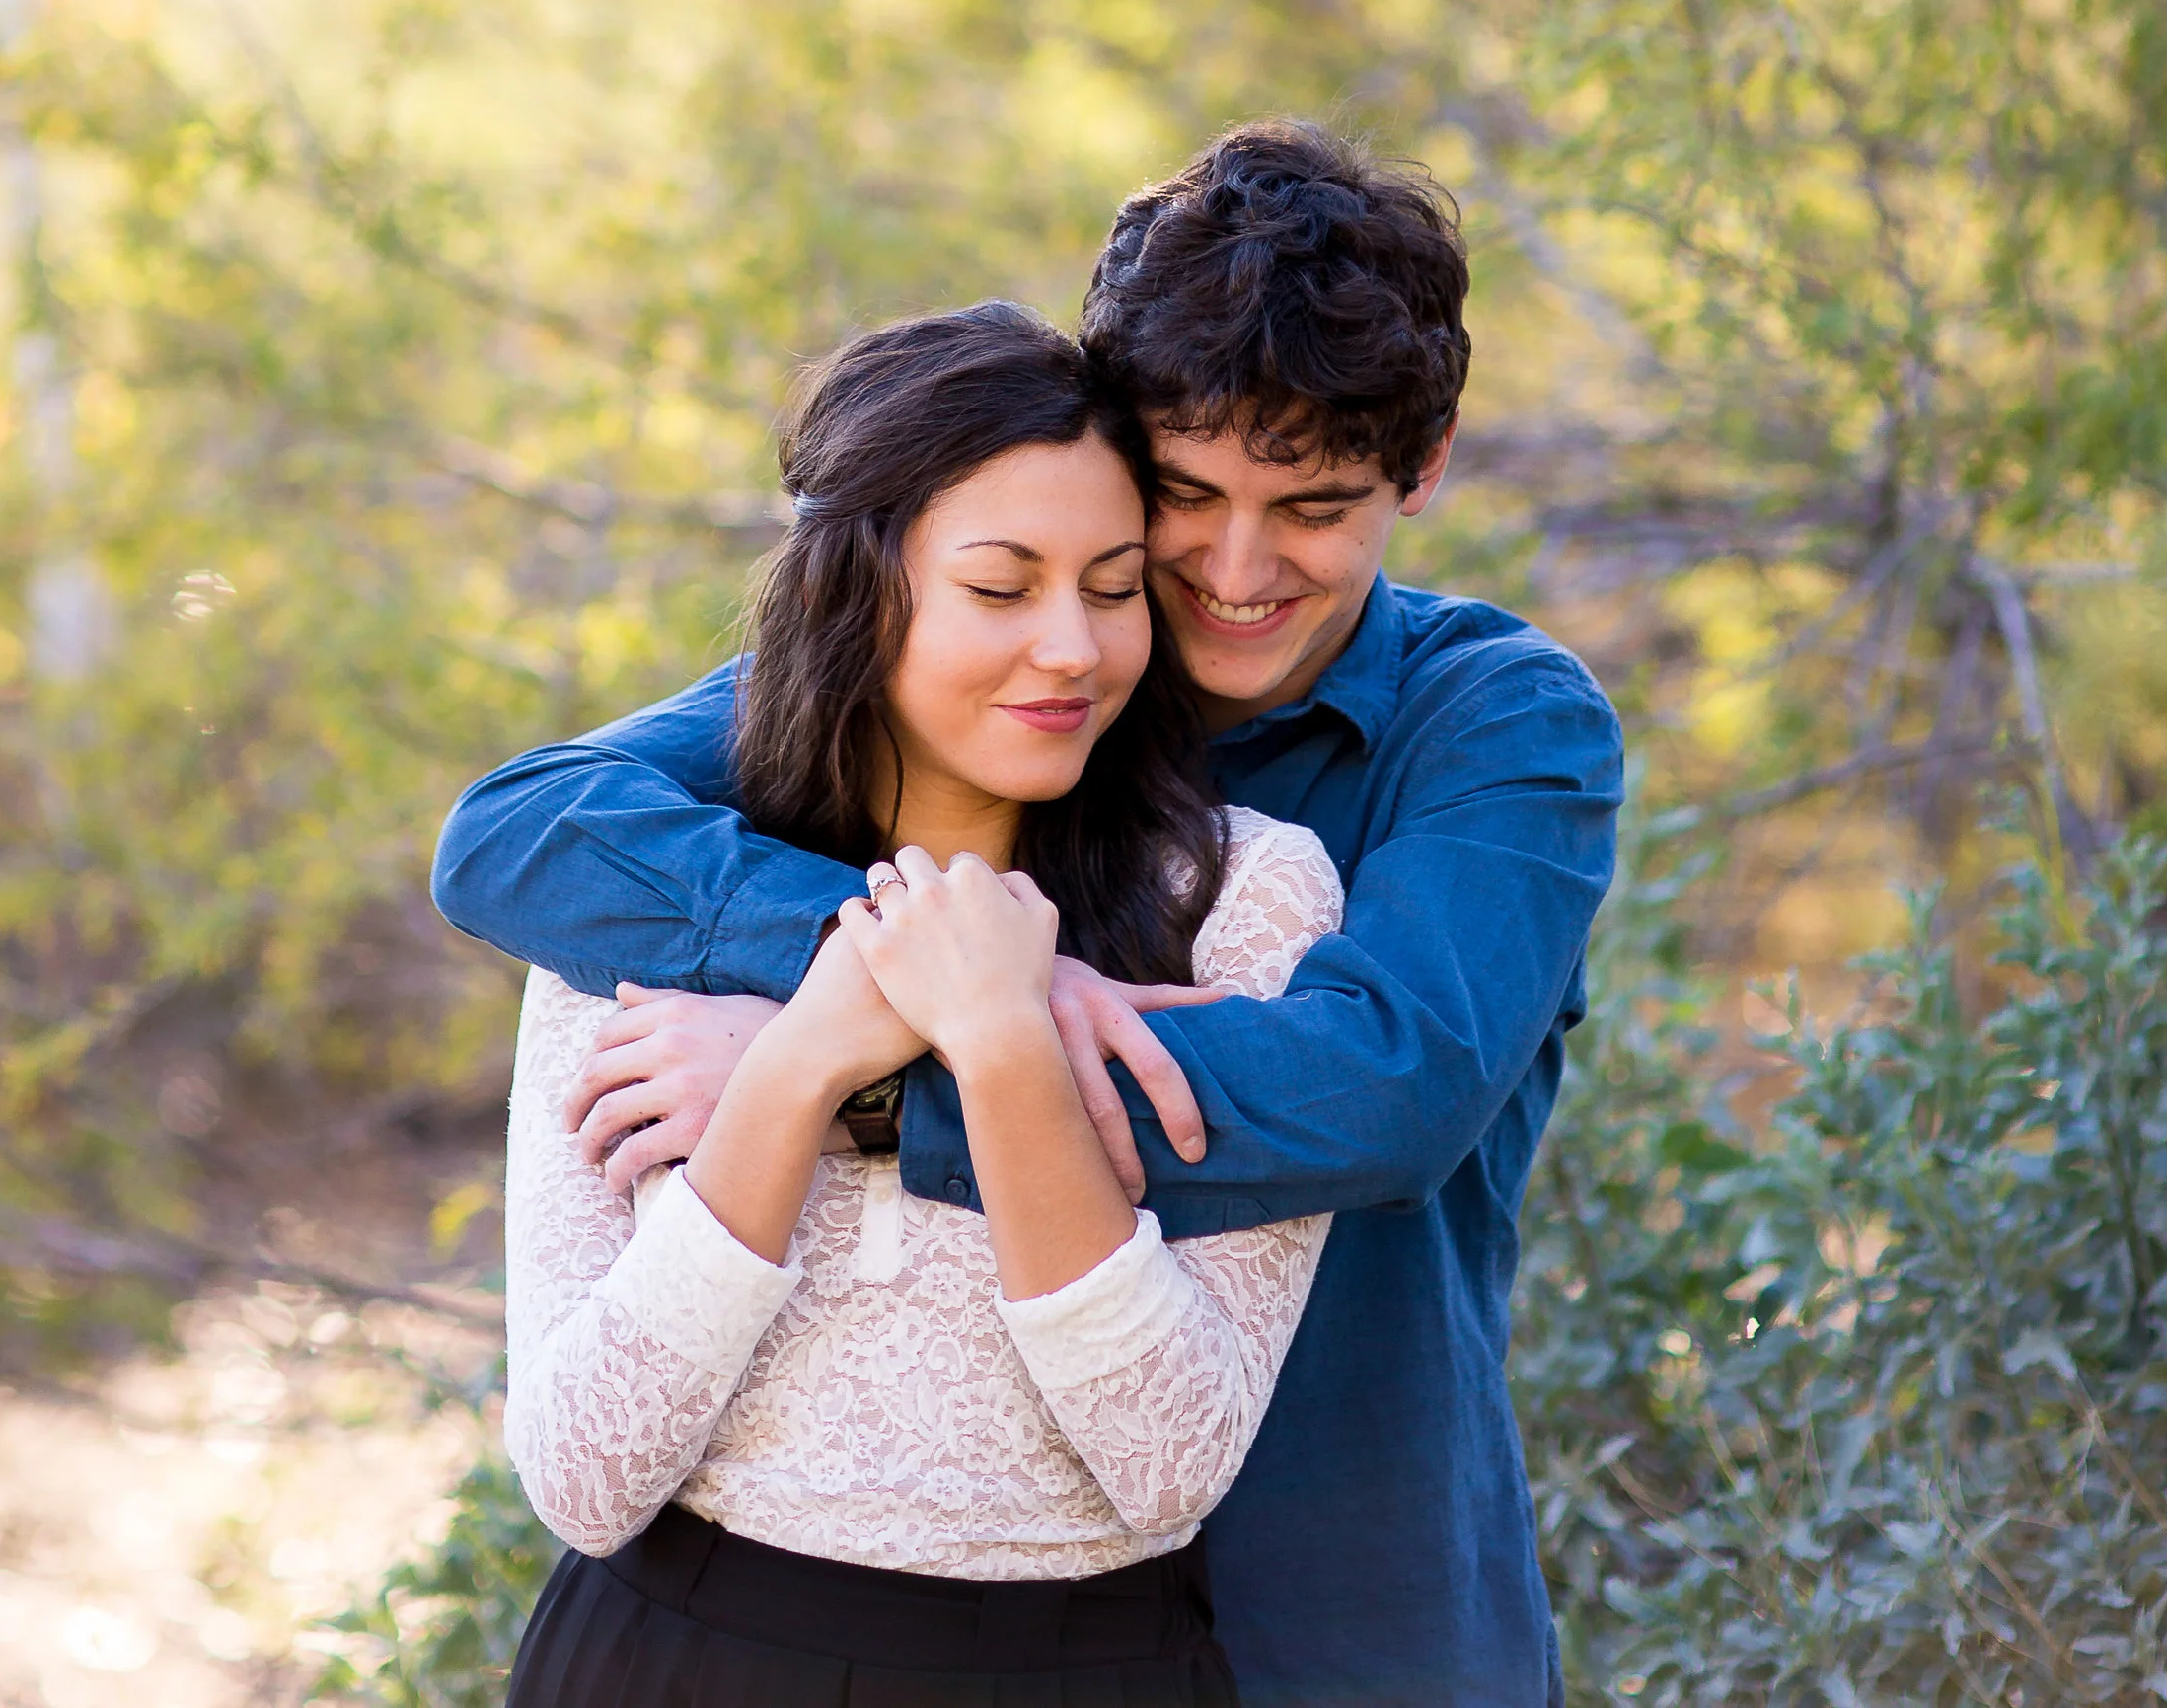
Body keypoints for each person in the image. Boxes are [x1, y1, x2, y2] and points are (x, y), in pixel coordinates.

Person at [439, 124, 1623, 1708]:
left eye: (1317, 505)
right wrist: (914, 966)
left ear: (1429, 463)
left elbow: (1388, 1092)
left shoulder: (1498, 726)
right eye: (1183, 494)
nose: (1233, 567)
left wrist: (878, 1077)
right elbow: (521, 833)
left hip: (1340, 1618)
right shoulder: (992, 678)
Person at [495, 297, 1343, 1708]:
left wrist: (1005, 1038)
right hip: (674, 1654)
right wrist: (805, 1054)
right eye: (1003, 587)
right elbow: (584, 1474)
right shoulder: (639, 887)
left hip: (1080, 1667)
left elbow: (1170, 1463)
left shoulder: (1245, 901)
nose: (1072, 647)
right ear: (856, 591)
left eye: (1116, 583)